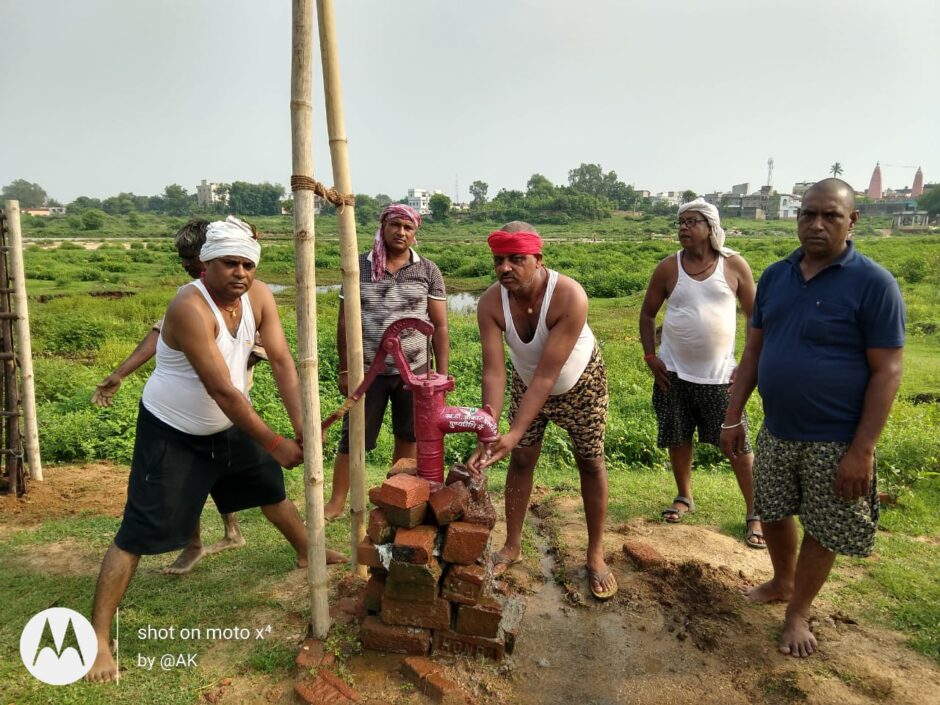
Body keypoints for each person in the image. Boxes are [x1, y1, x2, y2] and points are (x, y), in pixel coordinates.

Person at [87, 217, 342, 682]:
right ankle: (99, 637)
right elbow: (224, 390)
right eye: (229, 263)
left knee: (269, 489)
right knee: (138, 532)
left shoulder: (259, 297)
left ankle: (310, 551)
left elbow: (282, 360)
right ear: (205, 264)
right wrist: (275, 441)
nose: (240, 273)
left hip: (227, 425)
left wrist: (303, 425)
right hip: (174, 432)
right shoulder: (189, 307)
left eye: (247, 264)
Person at [720, 179, 905, 658]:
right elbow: (755, 350)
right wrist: (733, 415)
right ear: (796, 217)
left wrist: (861, 450)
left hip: (837, 439)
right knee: (775, 511)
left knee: (824, 528)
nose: (817, 224)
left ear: (852, 221)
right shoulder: (777, 276)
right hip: (778, 429)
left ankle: (798, 610)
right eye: (808, 214)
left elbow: (887, 370)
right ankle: (783, 581)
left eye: (831, 215)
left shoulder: (873, 283)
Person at [467, 222, 616, 601]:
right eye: (499, 260)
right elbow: (494, 370)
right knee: (521, 460)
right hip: (525, 381)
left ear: (538, 259)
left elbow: (549, 374)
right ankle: (512, 545)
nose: (505, 268)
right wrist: (490, 428)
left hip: (581, 384)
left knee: (590, 462)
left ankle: (595, 553)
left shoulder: (569, 296)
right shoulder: (490, 303)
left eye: (517, 259)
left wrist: (515, 430)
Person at [92, 219, 247, 573]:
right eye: (185, 260)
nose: (189, 266)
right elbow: (158, 335)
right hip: (191, 407)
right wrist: (119, 373)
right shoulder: (190, 297)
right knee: (191, 476)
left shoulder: (237, 285)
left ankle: (233, 531)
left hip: (230, 400)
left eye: (192, 258)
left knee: (234, 474)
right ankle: (194, 544)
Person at [639, 198, 764, 548]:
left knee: (737, 444)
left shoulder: (734, 265)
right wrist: (651, 356)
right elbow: (647, 314)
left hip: (721, 376)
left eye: (691, 222)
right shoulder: (668, 268)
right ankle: (684, 496)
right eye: (680, 222)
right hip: (674, 374)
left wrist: (749, 364)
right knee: (678, 437)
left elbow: (755, 317)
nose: (683, 228)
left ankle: (755, 513)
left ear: (710, 227)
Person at [324, 203, 449, 519]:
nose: (401, 233)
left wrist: (441, 374)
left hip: (415, 371)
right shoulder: (358, 267)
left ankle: (396, 492)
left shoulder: (428, 270)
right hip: (368, 369)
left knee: (408, 434)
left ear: (415, 234)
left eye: (408, 228)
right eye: (396, 225)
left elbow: (440, 325)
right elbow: (344, 321)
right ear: (383, 227)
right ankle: (337, 501)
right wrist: (344, 368)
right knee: (355, 437)